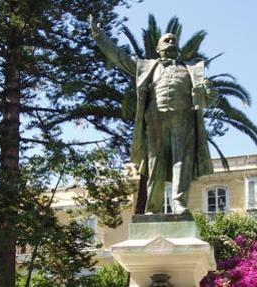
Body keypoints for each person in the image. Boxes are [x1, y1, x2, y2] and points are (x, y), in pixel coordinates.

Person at [89, 15, 214, 214]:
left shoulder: (191, 69)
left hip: (184, 117)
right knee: (156, 162)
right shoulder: (147, 67)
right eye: (167, 40)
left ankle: (179, 204)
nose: (171, 42)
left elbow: (208, 99)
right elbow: (119, 56)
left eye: (174, 40)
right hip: (155, 118)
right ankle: (153, 208)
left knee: (182, 160)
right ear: (157, 48)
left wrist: (210, 94)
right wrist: (99, 36)